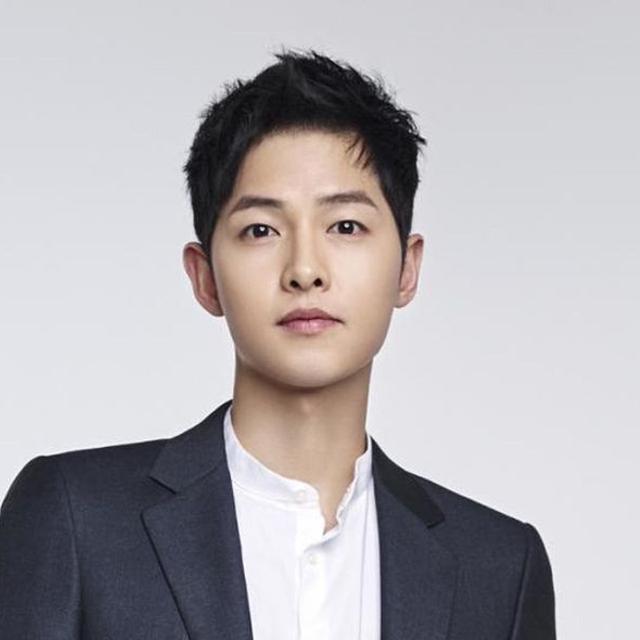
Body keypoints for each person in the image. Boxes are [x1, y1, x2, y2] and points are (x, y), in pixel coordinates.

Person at [0, 49, 556, 639]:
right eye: (260, 230)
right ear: (205, 278)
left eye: (346, 226)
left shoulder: (499, 568)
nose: (305, 270)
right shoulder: (75, 518)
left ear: (407, 269)